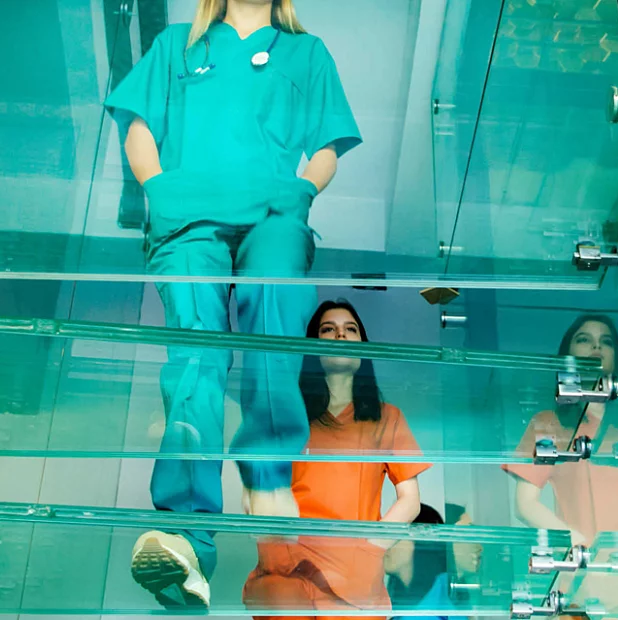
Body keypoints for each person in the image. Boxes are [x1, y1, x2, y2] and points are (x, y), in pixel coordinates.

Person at [102, 0, 361, 608]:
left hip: (273, 211)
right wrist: (157, 186)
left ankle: (268, 477)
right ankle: (188, 538)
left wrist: (302, 187)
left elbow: (328, 142)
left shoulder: (307, 51)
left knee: (273, 325)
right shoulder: (176, 45)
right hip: (187, 217)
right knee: (196, 349)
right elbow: (137, 124)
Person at [244, 299, 428, 619]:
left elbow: (410, 500)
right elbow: (258, 485)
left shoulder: (386, 418)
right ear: (314, 347)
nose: (341, 335)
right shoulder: (290, 417)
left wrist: (372, 547)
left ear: (362, 348)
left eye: (350, 329)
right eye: (328, 329)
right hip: (288, 567)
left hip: (353, 575)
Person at [501, 315, 618, 615]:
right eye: (584, 339)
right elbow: (525, 505)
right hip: (594, 569)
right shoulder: (548, 424)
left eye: (606, 341)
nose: (596, 347)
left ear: (617, 358)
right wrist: (579, 544)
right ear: (568, 356)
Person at [386, 505, 457, 620]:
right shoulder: (427, 602)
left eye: (394, 535)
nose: (384, 544)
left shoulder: (432, 612)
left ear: (420, 542)